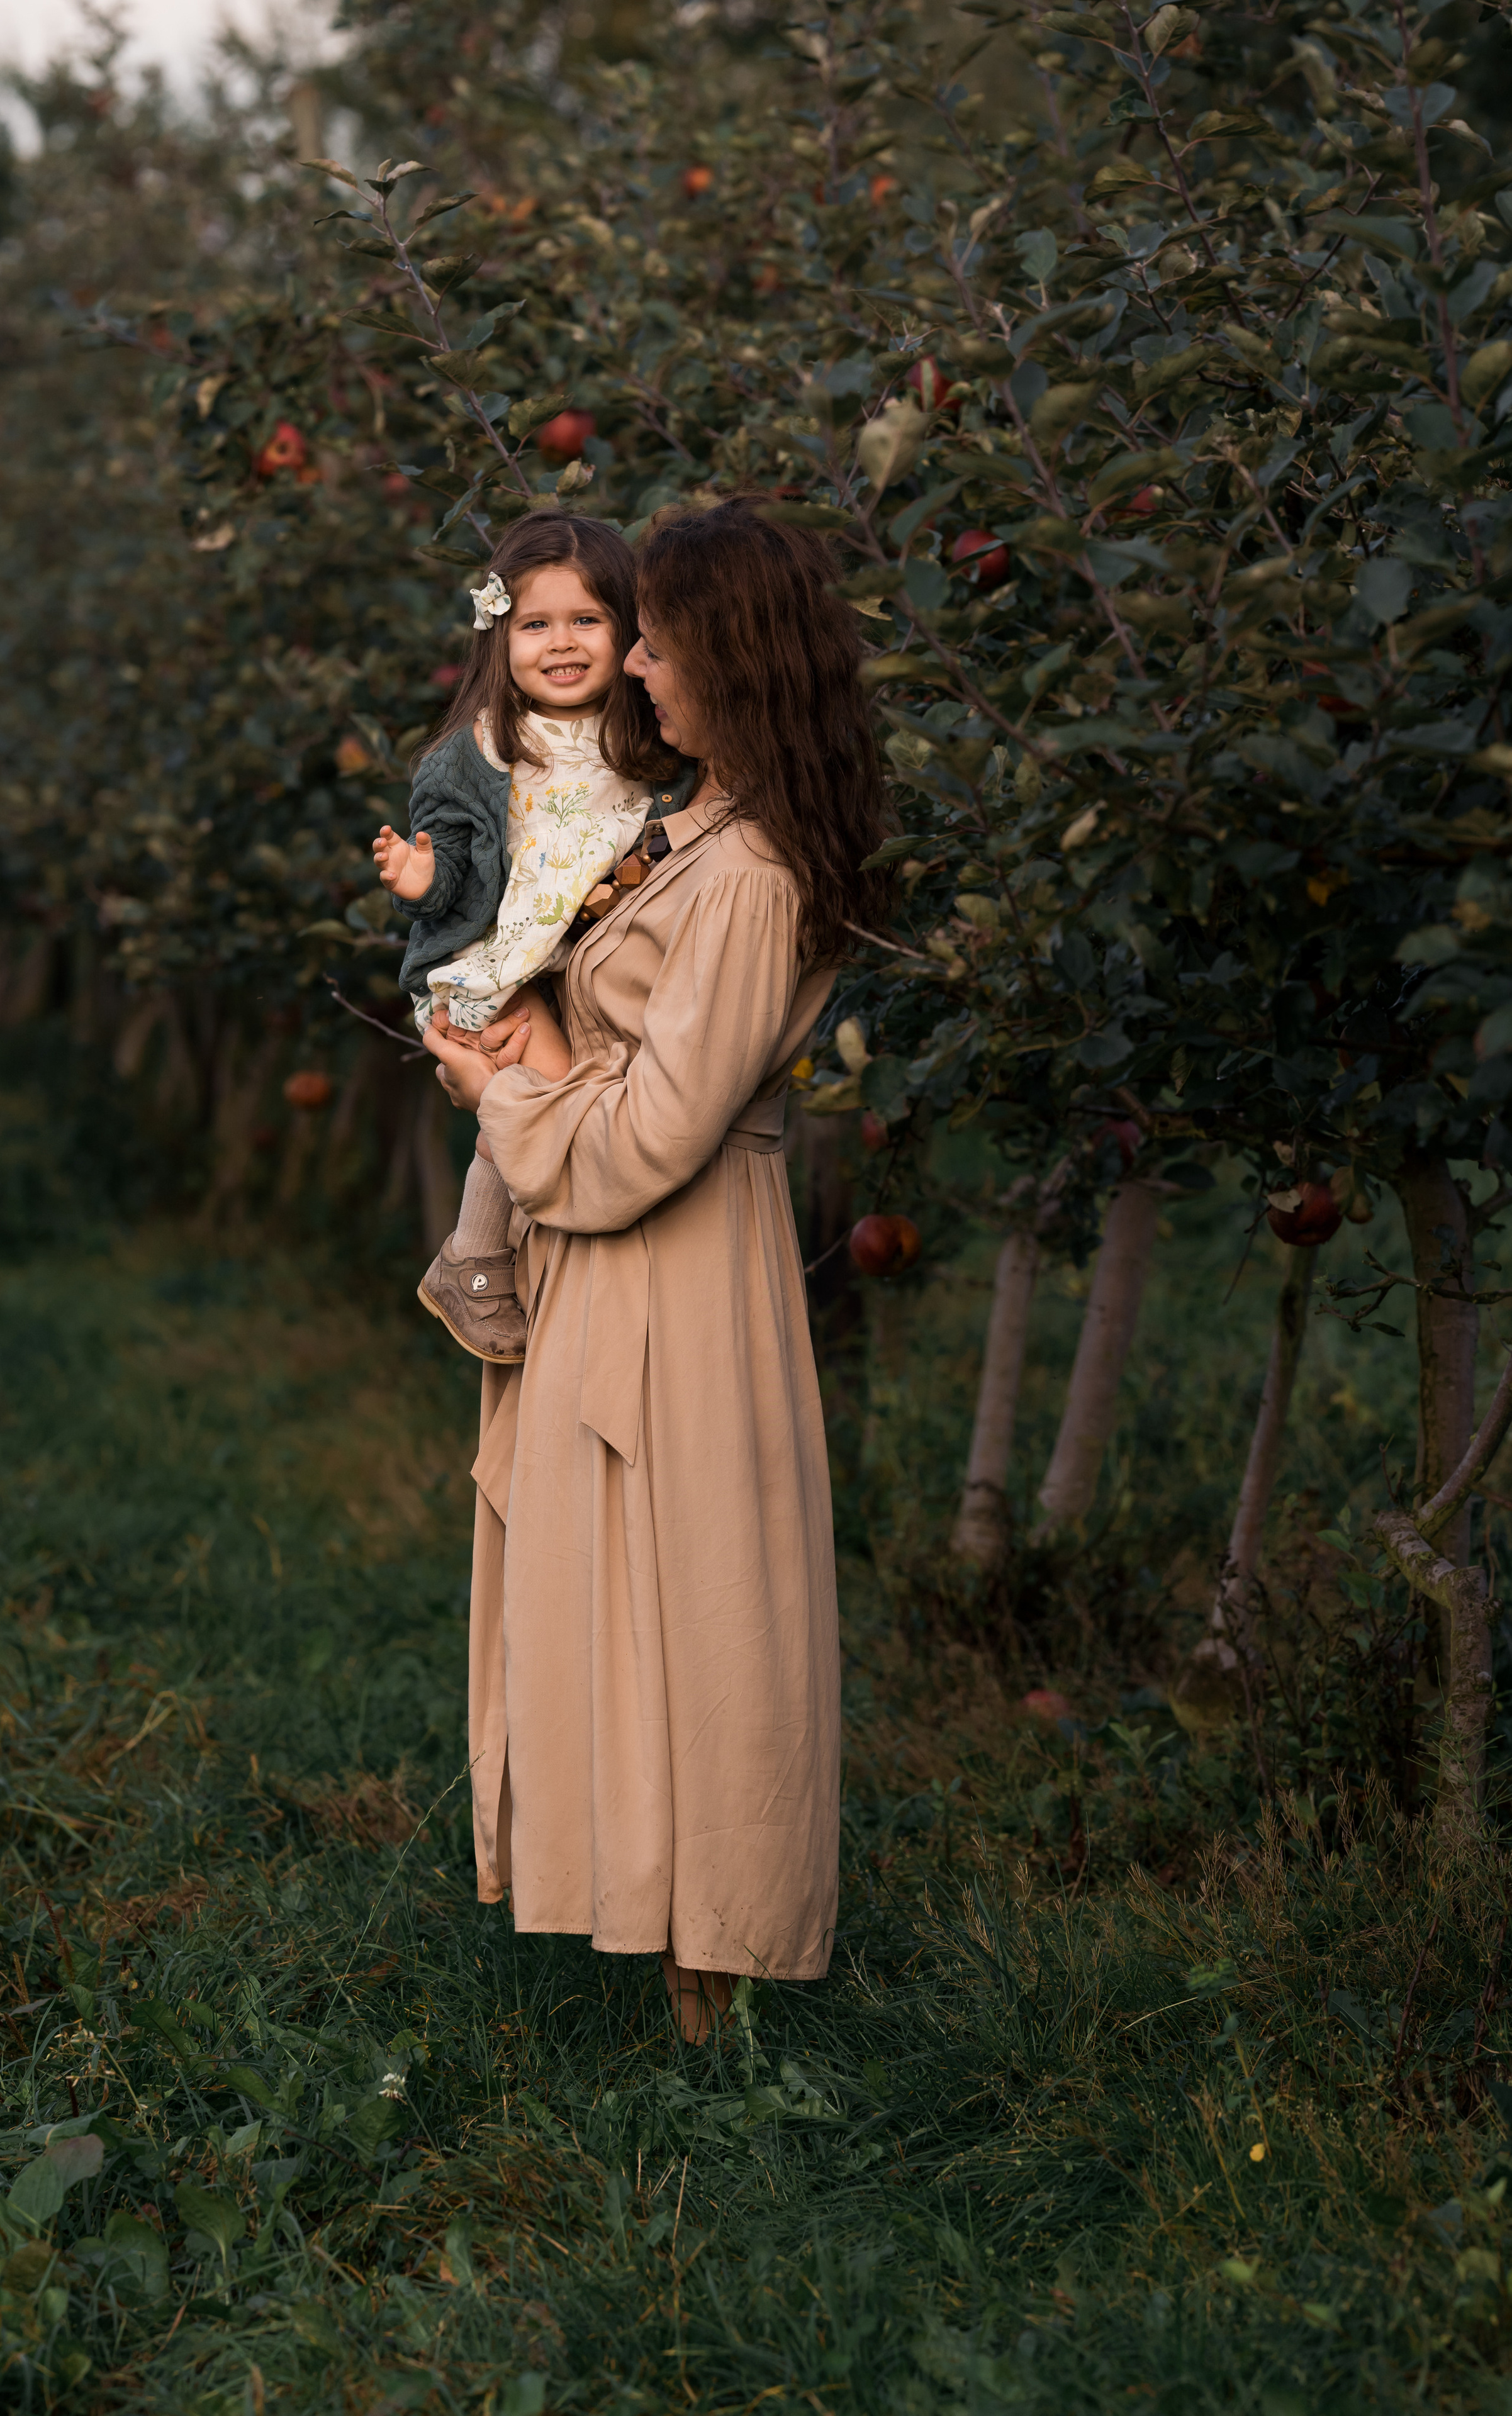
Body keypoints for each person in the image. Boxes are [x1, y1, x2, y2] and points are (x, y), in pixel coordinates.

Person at [425, 498, 888, 2040]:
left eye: (660, 638)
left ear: (730, 659)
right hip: (603, 1269)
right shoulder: (687, 838)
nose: (633, 659)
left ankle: (725, 1990)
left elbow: (647, 1142)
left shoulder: (751, 879)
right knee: (625, 1600)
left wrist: (509, 1087)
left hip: (682, 1280)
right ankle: (668, 1958)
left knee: (699, 1604)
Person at [371, 513, 676, 1361]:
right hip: (492, 968)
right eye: (536, 625)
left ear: (628, 629)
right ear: (499, 639)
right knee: (543, 1105)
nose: (562, 644)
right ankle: (472, 1260)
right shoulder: (478, 753)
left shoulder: (641, 743)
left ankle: (530, 1270)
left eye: (587, 621)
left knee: (572, 1109)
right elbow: (456, 869)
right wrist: (423, 881)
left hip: (568, 968)